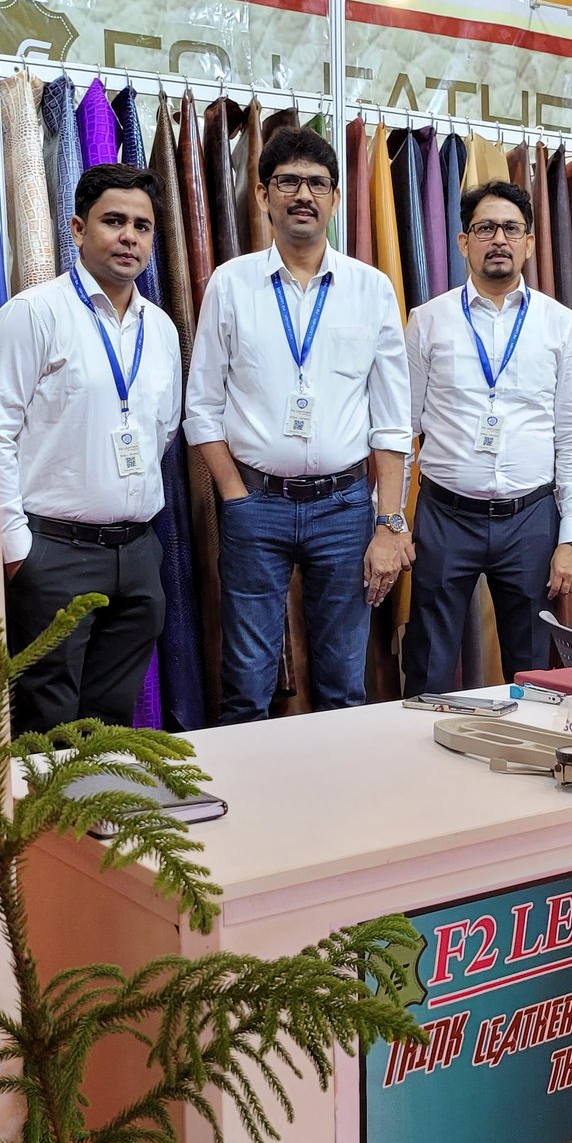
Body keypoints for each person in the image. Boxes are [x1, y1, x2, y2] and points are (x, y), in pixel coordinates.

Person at [185, 127, 413, 723]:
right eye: (288, 182)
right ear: (263, 194)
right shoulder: (231, 284)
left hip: (344, 508)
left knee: (343, 684)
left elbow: (392, 422)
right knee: (246, 683)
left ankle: (335, 784)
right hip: (255, 505)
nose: (303, 195)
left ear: (335, 197)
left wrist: (389, 522)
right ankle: (249, 783)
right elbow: (201, 408)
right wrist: (234, 497)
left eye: (317, 183)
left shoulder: (371, 289)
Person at [0, 162, 181, 733]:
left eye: (142, 227)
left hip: (138, 552)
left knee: (110, 723)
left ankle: (102, 799)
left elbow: (164, 430)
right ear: (77, 229)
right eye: (113, 221)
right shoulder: (34, 314)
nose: (129, 238)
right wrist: (17, 551)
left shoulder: (161, 328)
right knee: (45, 721)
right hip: (54, 553)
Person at [401, 180, 572, 692]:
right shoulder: (427, 320)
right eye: (485, 228)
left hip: (530, 518)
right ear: (464, 242)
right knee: (428, 663)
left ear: (529, 242)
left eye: (511, 228)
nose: (499, 239)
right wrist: (391, 518)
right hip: (445, 516)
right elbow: (402, 428)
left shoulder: (559, 324)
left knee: (532, 669)